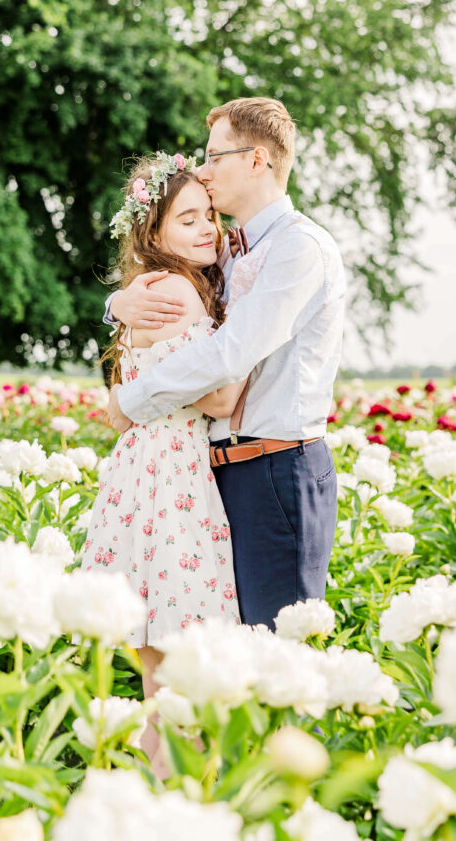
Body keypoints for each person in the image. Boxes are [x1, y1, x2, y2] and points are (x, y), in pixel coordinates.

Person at [105, 97, 346, 632]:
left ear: (257, 159)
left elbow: (227, 353)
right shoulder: (227, 249)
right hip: (218, 472)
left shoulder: (298, 248)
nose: (204, 170)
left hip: (277, 468)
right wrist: (116, 306)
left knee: (277, 652)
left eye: (215, 157)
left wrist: (131, 401)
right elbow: (173, 295)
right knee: (227, 654)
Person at [81, 152, 243, 775]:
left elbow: (130, 395)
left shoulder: (153, 285)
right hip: (171, 479)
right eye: (189, 220)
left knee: (159, 676)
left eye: (210, 216)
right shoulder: (174, 289)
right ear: (154, 233)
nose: (207, 229)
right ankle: (176, 799)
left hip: (143, 472)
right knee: (183, 671)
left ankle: (151, 796)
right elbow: (220, 394)